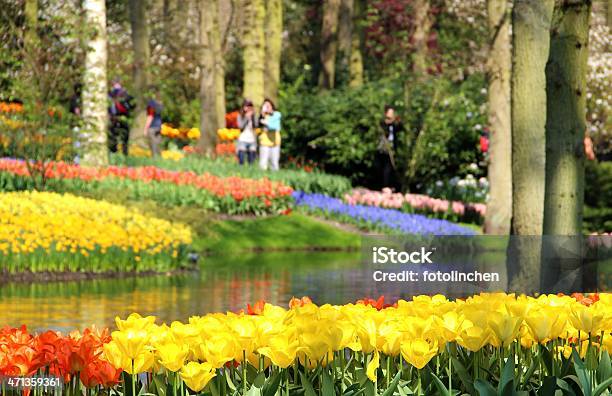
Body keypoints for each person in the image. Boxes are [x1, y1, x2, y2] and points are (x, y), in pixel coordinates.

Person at [378, 104, 404, 190]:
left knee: (392, 167)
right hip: (384, 148)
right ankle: (385, 186)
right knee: (386, 167)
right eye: (391, 112)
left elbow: (400, 127)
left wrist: (398, 121)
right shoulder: (382, 123)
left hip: (392, 148)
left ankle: (390, 185)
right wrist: (390, 122)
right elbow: (384, 130)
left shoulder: (393, 124)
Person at [108, 81, 134, 156]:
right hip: (113, 119)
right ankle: (113, 153)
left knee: (124, 138)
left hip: (123, 119)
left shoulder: (126, 97)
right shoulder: (110, 96)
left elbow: (130, 107)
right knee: (113, 138)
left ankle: (124, 154)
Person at [258, 98, 282, 171]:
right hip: (264, 142)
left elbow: (276, 127)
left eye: (268, 106)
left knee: (274, 163)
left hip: (275, 142)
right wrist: (262, 115)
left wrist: (266, 122)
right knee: (263, 163)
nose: (267, 107)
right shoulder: (262, 116)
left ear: (272, 106)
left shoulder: (277, 114)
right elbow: (257, 125)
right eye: (265, 106)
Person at [143, 86, 163, 157]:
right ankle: (160, 159)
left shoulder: (151, 103)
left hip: (152, 127)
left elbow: (150, 116)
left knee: (153, 145)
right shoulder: (160, 103)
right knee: (158, 144)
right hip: (159, 126)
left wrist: (145, 128)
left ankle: (155, 160)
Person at [236, 99, 258, 165]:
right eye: (247, 106)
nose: (248, 108)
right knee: (241, 160)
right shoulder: (240, 116)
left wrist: (252, 117)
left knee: (251, 160)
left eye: (250, 106)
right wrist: (246, 118)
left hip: (252, 139)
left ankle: (250, 173)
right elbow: (240, 126)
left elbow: (256, 126)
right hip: (243, 139)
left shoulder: (254, 116)